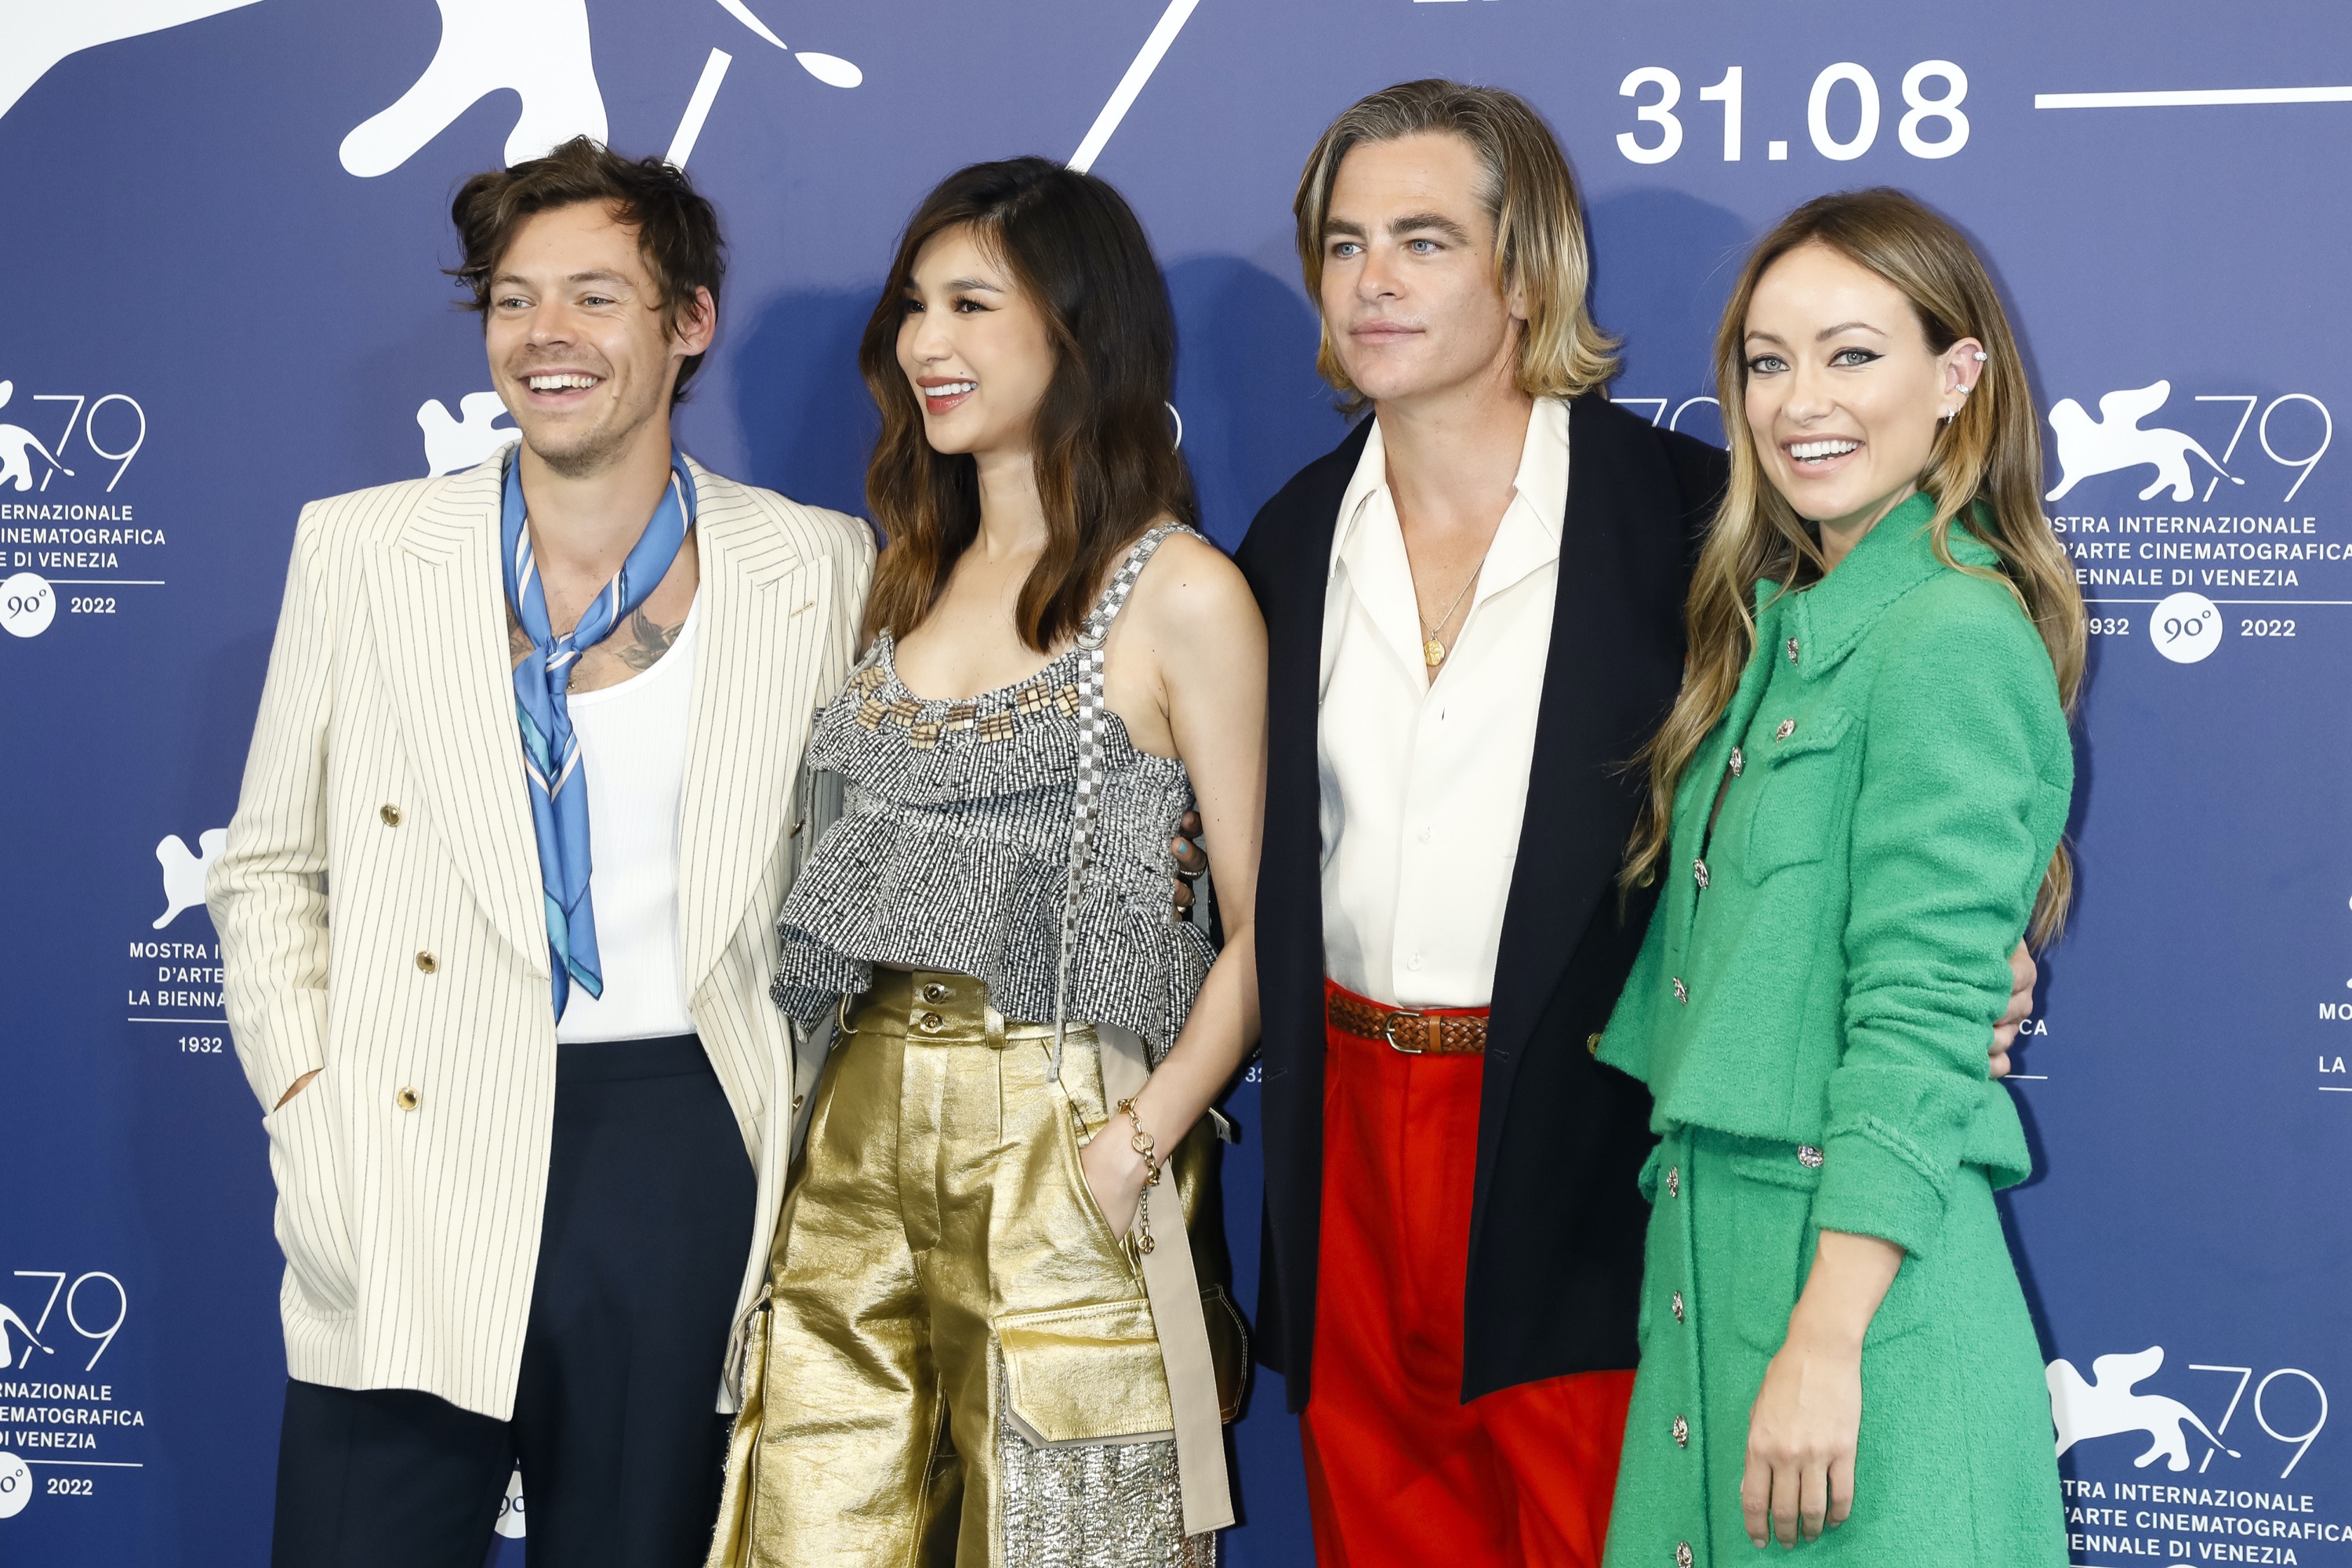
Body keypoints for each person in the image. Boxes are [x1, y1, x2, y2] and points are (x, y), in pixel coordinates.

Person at [1232, 82, 2041, 1568]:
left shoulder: (1698, 523)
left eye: (1424, 239)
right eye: (1345, 245)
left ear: (1526, 269)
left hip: (1588, 1160)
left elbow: (1895, 764)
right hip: (1345, 1137)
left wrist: (1992, 944)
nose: (1375, 280)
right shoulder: (1284, 540)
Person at [209, 138, 876, 1567]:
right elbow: (266, 868)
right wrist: (311, 1101)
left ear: (688, 321)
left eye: (594, 296)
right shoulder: (361, 549)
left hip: (683, 1144)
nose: (544, 336)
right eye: (513, 300)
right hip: (410, 1127)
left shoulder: (815, 565)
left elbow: (861, 866)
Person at [708, 158, 1265, 1568]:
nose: (926, 342)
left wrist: (1137, 1147)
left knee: (1075, 1537)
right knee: (810, 1523)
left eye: (971, 304)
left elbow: (1267, 928)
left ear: (1081, 329)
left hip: (1065, 1116)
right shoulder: (900, 571)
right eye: (914, 305)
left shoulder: (1180, 591)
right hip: (855, 1120)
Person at [1596, 187, 2081, 1567]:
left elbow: (1920, 1020)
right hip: (1716, 1290)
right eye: (1769, 360)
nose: (1800, 401)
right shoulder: (1785, 635)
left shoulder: (1948, 635)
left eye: (1852, 354)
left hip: (1859, 1320)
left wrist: (1824, 1338)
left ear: (1957, 377)